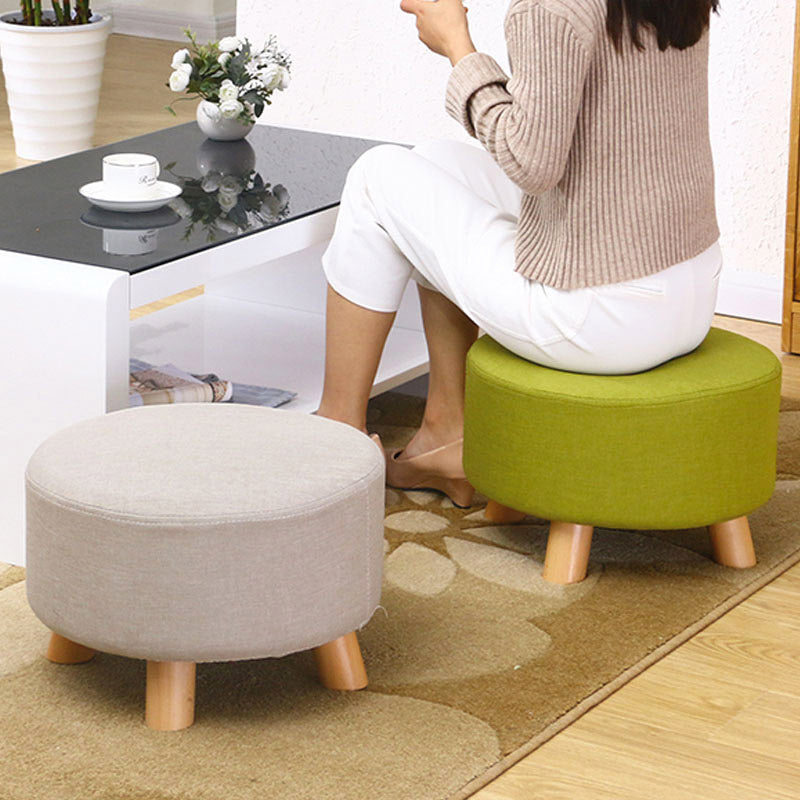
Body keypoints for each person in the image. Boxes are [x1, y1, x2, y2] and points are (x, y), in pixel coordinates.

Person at [315, 0, 722, 508]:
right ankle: (448, 429)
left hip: (598, 317)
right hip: (687, 289)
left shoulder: (547, 6)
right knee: (434, 163)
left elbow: (531, 163)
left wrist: (458, 47)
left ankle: (337, 435)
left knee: (374, 177)